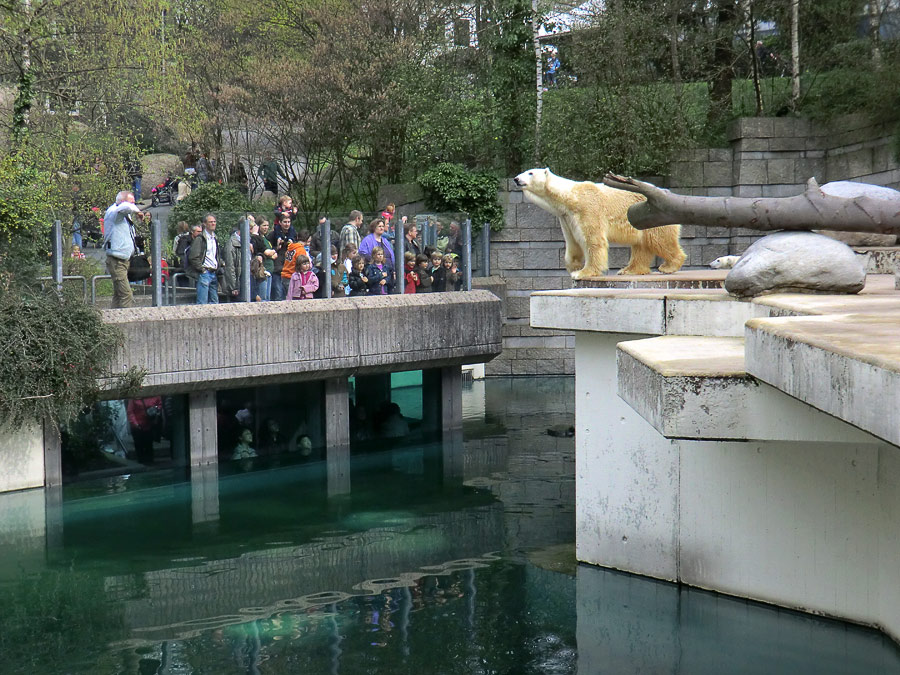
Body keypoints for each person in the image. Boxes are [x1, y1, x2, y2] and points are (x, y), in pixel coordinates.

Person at [102, 190, 143, 309]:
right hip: (117, 261)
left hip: (123, 260)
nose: (133, 205)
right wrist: (136, 210)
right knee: (126, 295)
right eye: (132, 202)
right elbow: (125, 206)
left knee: (119, 294)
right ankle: (125, 322)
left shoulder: (123, 215)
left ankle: (113, 321)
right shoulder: (114, 212)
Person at [187, 213, 224, 304]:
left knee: (215, 302)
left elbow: (216, 255)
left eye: (214, 222)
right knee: (202, 303)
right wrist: (202, 269)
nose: (213, 224)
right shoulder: (200, 239)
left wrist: (221, 263)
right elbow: (193, 256)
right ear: (205, 224)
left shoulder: (215, 238)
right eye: (211, 222)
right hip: (205, 273)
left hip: (214, 272)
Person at [126, 396, 164, 464]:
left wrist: (155, 409)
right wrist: (135, 424)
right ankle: (142, 462)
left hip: (149, 424)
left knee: (149, 445)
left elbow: (160, 404)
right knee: (139, 446)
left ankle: (149, 462)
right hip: (138, 426)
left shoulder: (154, 395)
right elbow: (130, 412)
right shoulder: (134, 398)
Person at [280, 227, 309, 300]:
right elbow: (301, 265)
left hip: (284, 275)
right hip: (292, 277)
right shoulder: (301, 250)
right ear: (307, 239)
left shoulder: (291, 248)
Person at [251, 218, 276, 301]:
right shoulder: (256, 238)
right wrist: (270, 253)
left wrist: (272, 252)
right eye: (264, 225)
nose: (266, 227)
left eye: (267, 225)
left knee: (267, 298)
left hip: (269, 272)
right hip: (261, 272)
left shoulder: (266, 238)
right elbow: (267, 253)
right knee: (263, 298)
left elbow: (274, 254)